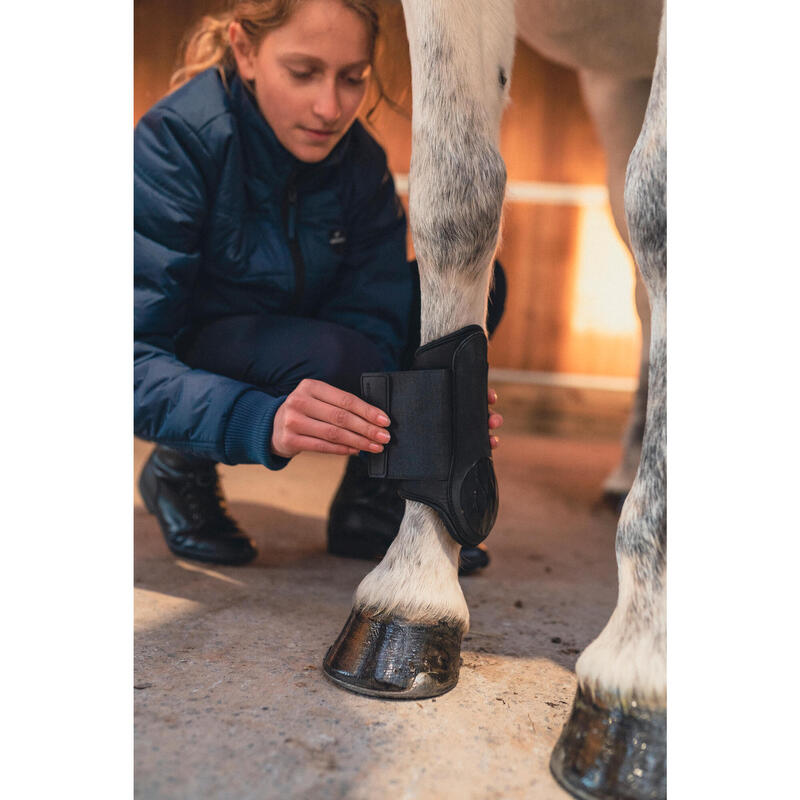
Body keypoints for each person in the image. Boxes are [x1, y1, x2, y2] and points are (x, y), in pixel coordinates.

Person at [134, 0, 506, 574]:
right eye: (303, 72)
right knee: (338, 357)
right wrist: (258, 421)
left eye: (352, 78)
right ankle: (179, 467)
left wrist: (430, 409)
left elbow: (377, 322)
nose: (330, 108)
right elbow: (129, 358)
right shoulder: (174, 142)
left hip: (301, 334)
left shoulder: (360, 161)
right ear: (245, 50)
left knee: (474, 295)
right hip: (200, 347)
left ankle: (370, 500)